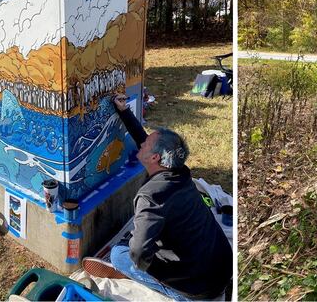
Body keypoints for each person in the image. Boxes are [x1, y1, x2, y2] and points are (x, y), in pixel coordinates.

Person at [83, 94, 232, 300]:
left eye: (146, 145)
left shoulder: (151, 196)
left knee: (119, 254)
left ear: (155, 158)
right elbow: (146, 142)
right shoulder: (179, 172)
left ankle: (147, 282)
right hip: (222, 270)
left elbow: (140, 254)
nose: (141, 144)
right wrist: (124, 111)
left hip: (198, 291)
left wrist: (145, 263)